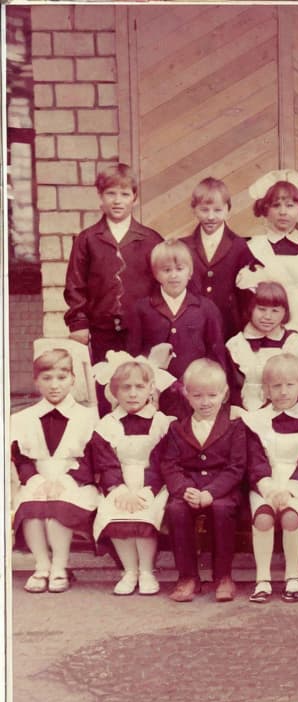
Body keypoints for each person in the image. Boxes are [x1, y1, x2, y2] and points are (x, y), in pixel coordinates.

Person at [11, 348, 101, 593]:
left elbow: (94, 456)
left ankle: (60, 566)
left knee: (57, 506)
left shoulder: (88, 417)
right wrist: (36, 479)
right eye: (47, 378)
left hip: (75, 481)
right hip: (37, 478)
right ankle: (42, 566)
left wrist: (66, 479)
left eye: (61, 378)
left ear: (72, 379)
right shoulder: (22, 418)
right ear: (36, 381)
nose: (54, 385)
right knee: (32, 506)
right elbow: (19, 457)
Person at [243, 354, 298, 603]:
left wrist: (290, 490)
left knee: (291, 517)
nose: (283, 392)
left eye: (289, 385)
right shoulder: (255, 421)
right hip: (266, 483)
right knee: (263, 518)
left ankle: (293, 576)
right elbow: (255, 460)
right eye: (276, 386)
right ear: (266, 390)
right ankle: (262, 578)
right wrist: (269, 489)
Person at [160, 359, 247, 603]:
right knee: (176, 509)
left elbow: (236, 467)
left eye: (212, 395)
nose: (205, 402)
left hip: (223, 489)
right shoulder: (178, 428)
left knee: (222, 509)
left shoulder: (234, 425)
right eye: (197, 395)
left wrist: (211, 492)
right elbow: (170, 464)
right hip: (189, 488)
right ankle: (187, 576)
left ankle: (223, 576)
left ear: (225, 393)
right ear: (186, 394)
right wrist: (184, 488)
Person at [63, 163, 163, 368]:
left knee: (139, 383)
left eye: (125, 194)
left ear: (135, 198)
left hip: (141, 329)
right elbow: (75, 285)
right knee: (105, 384)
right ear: (100, 196)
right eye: (111, 193)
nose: (117, 201)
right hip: (102, 330)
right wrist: (78, 323)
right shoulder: (87, 239)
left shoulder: (151, 240)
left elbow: (161, 285)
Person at [88, 357, 173, 596]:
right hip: (119, 484)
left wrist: (146, 490)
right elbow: (106, 462)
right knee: (116, 512)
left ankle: (146, 570)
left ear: (150, 390)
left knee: (145, 514)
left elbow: (162, 462)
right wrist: (119, 489)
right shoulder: (107, 424)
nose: (133, 393)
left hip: (153, 484)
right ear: (115, 392)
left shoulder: (161, 423)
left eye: (139, 387)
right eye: (126, 388)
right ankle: (129, 571)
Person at [126, 238, 227, 419]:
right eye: (166, 270)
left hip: (196, 395)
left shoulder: (205, 308)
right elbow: (134, 353)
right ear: (156, 274)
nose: (174, 275)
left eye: (179, 269)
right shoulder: (142, 308)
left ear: (190, 272)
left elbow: (216, 352)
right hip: (156, 395)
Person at [235, 170, 298, 337]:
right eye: (276, 205)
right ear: (265, 209)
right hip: (267, 325)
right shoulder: (252, 247)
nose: (283, 212)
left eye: (290, 206)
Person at [181, 176, 247, 338]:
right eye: (204, 210)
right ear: (194, 210)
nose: (210, 217)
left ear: (227, 210)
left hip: (229, 326)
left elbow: (245, 296)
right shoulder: (184, 246)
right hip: (192, 325)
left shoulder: (240, 246)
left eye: (217, 210)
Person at [225, 281, 298, 411]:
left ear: (285, 312)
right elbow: (232, 388)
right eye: (261, 309)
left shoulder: (292, 342)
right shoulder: (236, 345)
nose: (267, 316)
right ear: (250, 309)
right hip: (244, 411)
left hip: (284, 410)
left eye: (275, 311)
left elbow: (297, 386)